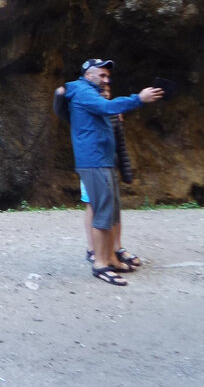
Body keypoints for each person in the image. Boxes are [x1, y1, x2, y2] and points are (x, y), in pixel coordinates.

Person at [63, 59, 163, 286]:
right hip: (93, 162)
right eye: (102, 75)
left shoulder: (93, 93)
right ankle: (100, 264)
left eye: (108, 76)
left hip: (104, 161)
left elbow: (106, 111)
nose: (107, 80)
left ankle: (110, 257)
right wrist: (139, 99)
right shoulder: (81, 90)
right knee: (102, 213)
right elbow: (106, 108)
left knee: (112, 212)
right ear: (89, 75)